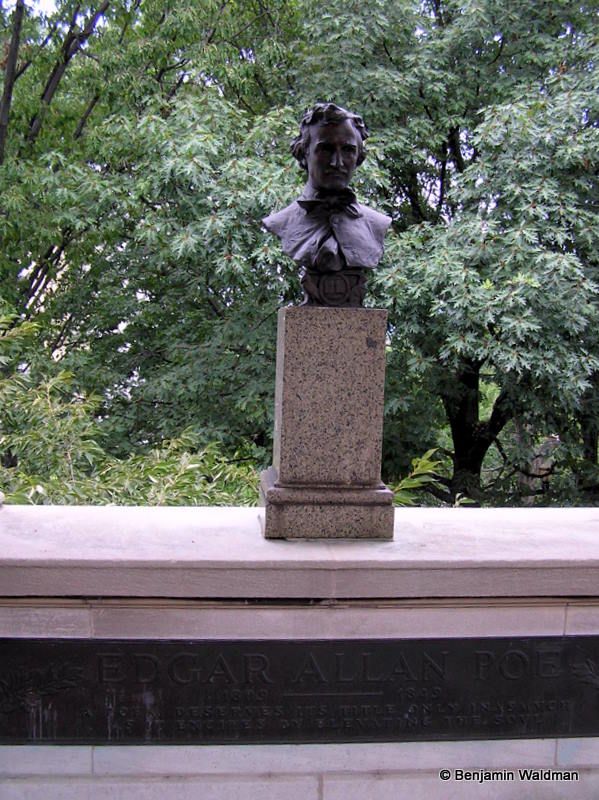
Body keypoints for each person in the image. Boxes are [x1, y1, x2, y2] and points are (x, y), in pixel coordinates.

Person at [263, 103, 392, 307]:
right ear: (304, 152)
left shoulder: (377, 224)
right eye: (326, 149)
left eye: (348, 150)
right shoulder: (281, 222)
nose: (337, 162)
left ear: (358, 157)